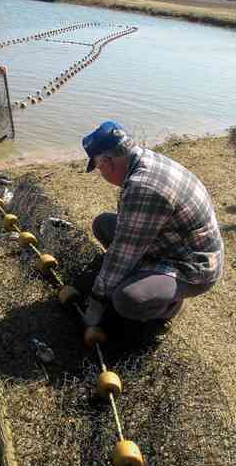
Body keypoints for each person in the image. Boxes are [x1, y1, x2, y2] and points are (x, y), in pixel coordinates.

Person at [81, 120, 224, 332]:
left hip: (193, 265)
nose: (102, 174)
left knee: (127, 299)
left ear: (107, 162)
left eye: (99, 168)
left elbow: (123, 254)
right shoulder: (143, 159)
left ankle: (168, 306)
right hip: (172, 243)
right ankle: (145, 274)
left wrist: (96, 299)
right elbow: (128, 236)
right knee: (103, 224)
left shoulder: (144, 188)